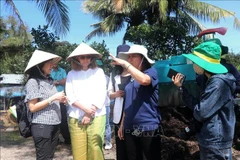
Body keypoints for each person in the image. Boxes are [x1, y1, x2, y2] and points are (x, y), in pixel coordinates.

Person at [172, 41, 236, 160]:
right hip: (214, 140)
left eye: (195, 62)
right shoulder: (210, 81)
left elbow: (201, 112)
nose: (193, 65)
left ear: (203, 63)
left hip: (215, 142)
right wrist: (181, 88)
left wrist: (197, 108)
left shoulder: (217, 84)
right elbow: (200, 106)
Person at [110, 44, 161, 160]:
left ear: (143, 58)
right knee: (133, 156)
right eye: (129, 57)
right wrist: (122, 124)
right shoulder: (132, 78)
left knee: (150, 156)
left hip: (147, 127)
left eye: (133, 56)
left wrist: (125, 65)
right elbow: (128, 103)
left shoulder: (151, 72)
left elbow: (144, 80)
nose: (130, 59)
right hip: (130, 127)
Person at [65, 42, 106, 160]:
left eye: (88, 57)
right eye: (82, 57)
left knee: (95, 148)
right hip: (76, 115)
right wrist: (84, 109)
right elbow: (70, 96)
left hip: (97, 114)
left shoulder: (99, 72)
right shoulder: (71, 74)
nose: (86, 59)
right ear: (77, 58)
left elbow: (101, 93)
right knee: (79, 151)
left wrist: (89, 113)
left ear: (92, 58)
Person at [24, 50, 67, 160]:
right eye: (49, 63)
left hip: (55, 124)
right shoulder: (33, 82)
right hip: (42, 125)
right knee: (43, 157)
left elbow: (53, 99)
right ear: (39, 65)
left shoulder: (49, 80)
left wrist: (61, 99)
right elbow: (32, 107)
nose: (52, 65)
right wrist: (53, 98)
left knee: (49, 157)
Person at [108, 44, 131, 159]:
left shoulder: (135, 73)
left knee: (132, 146)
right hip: (118, 113)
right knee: (120, 145)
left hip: (132, 113)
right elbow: (108, 94)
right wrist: (116, 94)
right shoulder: (114, 74)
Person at [50, 61, 71, 144]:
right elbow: (48, 82)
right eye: (53, 61)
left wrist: (56, 82)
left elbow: (65, 80)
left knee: (63, 119)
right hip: (51, 99)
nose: (54, 63)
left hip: (61, 98)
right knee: (52, 119)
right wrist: (55, 82)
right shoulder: (49, 70)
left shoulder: (62, 70)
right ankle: (55, 139)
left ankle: (67, 139)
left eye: (56, 61)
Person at [96, 59, 112, 150]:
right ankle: (99, 141)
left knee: (106, 124)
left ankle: (108, 142)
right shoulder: (91, 77)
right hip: (95, 105)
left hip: (105, 104)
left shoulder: (106, 78)